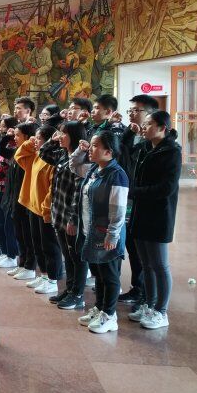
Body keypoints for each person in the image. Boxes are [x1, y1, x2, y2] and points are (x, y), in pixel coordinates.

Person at [71, 131, 129, 334]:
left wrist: (112, 235)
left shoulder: (116, 175)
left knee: (110, 275)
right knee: (99, 274)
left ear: (108, 151)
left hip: (107, 233)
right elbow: (73, 166)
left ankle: (110, 315)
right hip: (92, 231)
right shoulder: (96, 169)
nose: (91, 149)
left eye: (95, 145)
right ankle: (100, 308)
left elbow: (118, 210)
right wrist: (80, 150)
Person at [128, 111, 181, 330]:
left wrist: (135, 192)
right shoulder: (144, 148)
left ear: (162, 128)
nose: (144, 126)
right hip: (140, 211)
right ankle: (149, 305)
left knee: (159, 265)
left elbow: (167, 187)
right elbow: (124, 154)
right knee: (146, 264)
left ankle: (161, 311)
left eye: (149, 124)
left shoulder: (172, 152)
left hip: (159, 214)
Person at [117, 94, 159, 308]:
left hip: (142, 199)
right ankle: (137, 288)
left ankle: (146, 294)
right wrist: (128, 132)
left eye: (137, 110)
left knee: (144, 251)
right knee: (131, 245)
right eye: (130, 110)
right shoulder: (132, 134)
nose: (132, 114)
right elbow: (118, 153)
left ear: (150, 114)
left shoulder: (153, 142)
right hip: (129, 198)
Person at [44, 121, 88, 309]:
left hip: (70, 216)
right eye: (59, 133)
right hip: (59, 213)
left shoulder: (81, 160)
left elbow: (78, 193)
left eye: (64, 133)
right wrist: (53, 140)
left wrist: (73, 219)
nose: (60, 136)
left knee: (76, 257)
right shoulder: (63, 154)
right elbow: (44, 154)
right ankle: (69, 290)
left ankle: (77, 294)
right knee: (67, 256)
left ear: (74, 136)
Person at [16, 124, 62, 294]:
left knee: (50, 246)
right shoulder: (36, 155)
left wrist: (46, 208)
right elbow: (19, 155)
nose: (35, 141)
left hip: (45, 210)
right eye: (35, 138)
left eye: (39, 138)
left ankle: (52, 279)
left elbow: (52, 189)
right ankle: (43, 275)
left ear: (49, 141)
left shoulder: (52, 161)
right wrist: (31, 141)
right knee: (37, 244)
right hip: (33, 206)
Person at [5, 121, 40, 281]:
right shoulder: (18, 151)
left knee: (28, 235)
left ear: (27, 137)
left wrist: (30, 142)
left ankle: (30, 266)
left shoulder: (30, 153)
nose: (14, 137)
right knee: (19, 234)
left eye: (18, 135)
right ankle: (22, 263)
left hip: (26, 201)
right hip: (16, 198)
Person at [0, 117, 20, 269]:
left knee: (9, 225)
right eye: (1, 126)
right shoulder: (2, 141)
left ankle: (12, 255)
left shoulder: (16, 145)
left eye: (4, 126)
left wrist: (8, 137)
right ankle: (4, 252)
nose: (1, 128)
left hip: (8, 190)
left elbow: (4, 151)